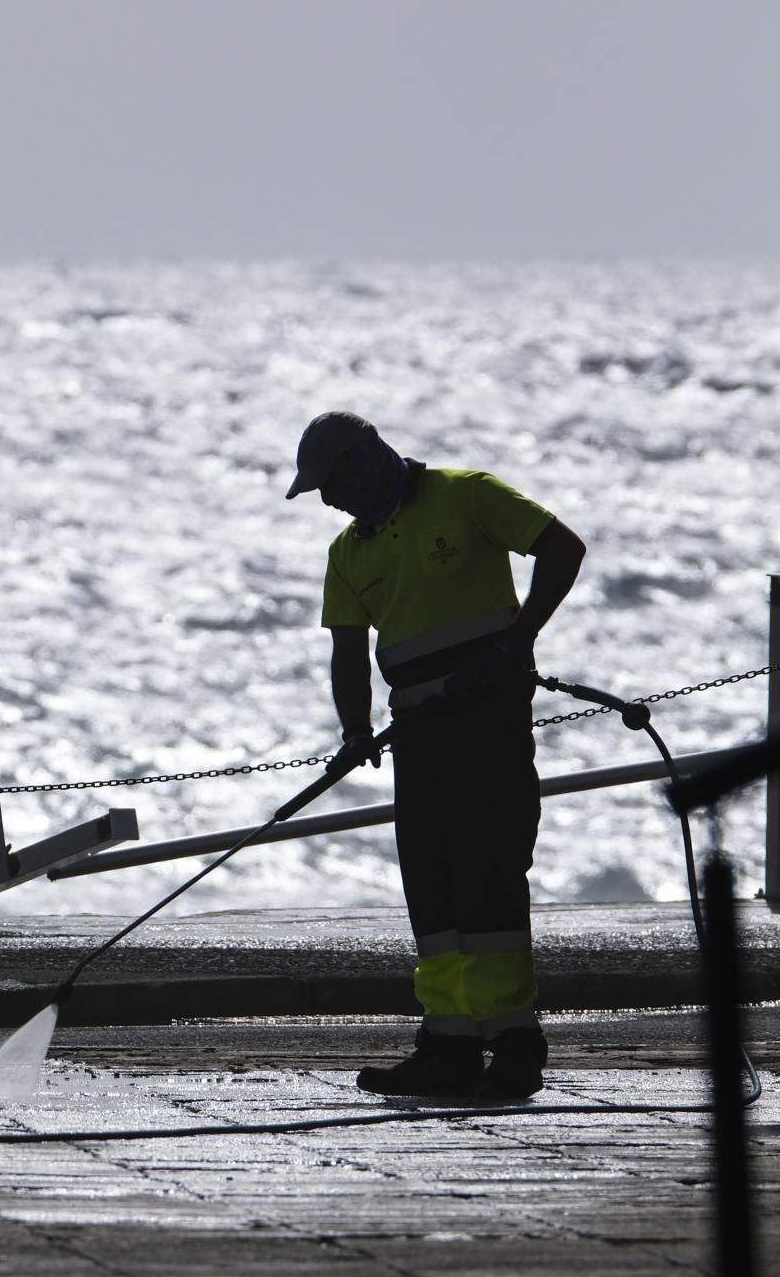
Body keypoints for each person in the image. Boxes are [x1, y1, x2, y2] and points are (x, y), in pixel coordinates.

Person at [285, 410, 585, 1099]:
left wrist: (521, 637)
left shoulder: (468, 493)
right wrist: (354, 730)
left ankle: (514, 1045)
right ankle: (448, 1043)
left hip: (487, 722)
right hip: (418, 733)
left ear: (366, 460)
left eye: (330, 484)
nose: (328, 501)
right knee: (433, 889)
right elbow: (347, 651)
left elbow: (562, 548)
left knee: (488, 880)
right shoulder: (348, 553)